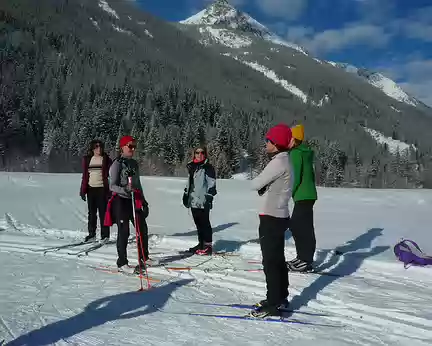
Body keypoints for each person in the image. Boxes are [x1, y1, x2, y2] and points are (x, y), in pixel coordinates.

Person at [250, 123, 294, 318]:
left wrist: (263, 183)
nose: (266, 143)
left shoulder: (278, 162)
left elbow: (255, 183)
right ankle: (280, 297)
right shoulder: (285, 160)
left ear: (276, 144)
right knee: (277, 260)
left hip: (271, 216)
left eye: (268, 140)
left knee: (270, 262)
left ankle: (273, 303)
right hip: (279, 214)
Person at [105, 135, 150, 274]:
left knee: (142, 227)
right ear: (122, 147)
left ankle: (144, 258)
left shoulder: (134, 164)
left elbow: (138, 184)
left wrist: (143, 200)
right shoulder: (117, 164)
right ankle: (122, 262)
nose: (132, 149)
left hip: (134, 199)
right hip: (121, 200)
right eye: (130, 146)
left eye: (134, 146)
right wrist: (124, 189)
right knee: (124, 231)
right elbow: (112, 185)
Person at [287, 124, 318, 272]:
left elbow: (295, 177)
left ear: (294, 139)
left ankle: (305, 260)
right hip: (308, 194)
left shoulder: (295, 153)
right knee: (304, 227)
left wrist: (287, 193)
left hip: (302, 195)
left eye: (289, 137)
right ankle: (303, 258)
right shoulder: (305, 152)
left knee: (299, 227)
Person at [182, 145, 217, 255]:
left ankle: (208, 246)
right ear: (194, 154)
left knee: (205, 223)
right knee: (198, 223)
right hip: (193, 199)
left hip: (203, 200)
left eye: (202, 152)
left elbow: (212, 184)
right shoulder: (192, 167)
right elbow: (190, 182)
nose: (199, 154)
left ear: (205, 154)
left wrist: (209, 198)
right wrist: (186, 194)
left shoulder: (208, 168)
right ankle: (200, 244)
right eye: (197, 152)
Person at [79, 139, 112, 242]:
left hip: (102, 189)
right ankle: (92, 234)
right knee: (91, 214)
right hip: (91, 189)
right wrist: (83, 191)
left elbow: (112, 175)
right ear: (93, 148)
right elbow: (85, 176)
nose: (99, 148)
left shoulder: (106, 159)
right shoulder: (88, 159)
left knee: (103, 213)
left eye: (101, 146)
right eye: (97, 146)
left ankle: (105, 236)